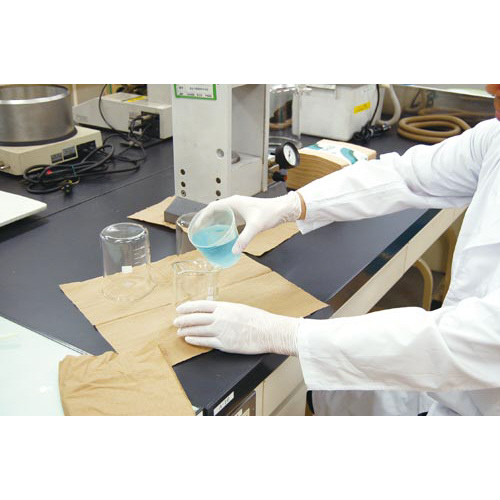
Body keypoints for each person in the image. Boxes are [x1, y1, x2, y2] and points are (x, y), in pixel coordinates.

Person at [174, 84, 500, 416]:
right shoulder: (494, 137)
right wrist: (291, 205)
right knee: (322, 393)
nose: (491, 88)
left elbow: (469, 341)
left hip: (481, 398)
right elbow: (405, 176)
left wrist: (282, 334)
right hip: (454, 387)